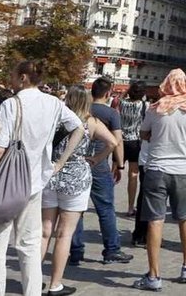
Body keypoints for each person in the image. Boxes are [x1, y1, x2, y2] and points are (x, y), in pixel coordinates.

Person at [0, 61, 85, 296]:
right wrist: (60, 161)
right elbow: (78, 126)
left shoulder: (11, 104)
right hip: (34, 182)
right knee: (29, 246)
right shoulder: (53, 103)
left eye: (13, 73)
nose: (10, 77)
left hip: (6, 183)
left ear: (24, 77)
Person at [41, 87, 117, 296]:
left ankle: (33, 278)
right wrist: (97, 159)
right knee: (65, 234)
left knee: (45, 231)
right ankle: (55, 284)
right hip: (76, 177)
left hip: (51, 175)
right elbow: (113, 141)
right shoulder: (90, 122)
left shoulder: (56, 120)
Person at [133, 69, 186, 291]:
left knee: (155, 220)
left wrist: (157, 135)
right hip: (183, 170)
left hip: (157, 168)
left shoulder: (155, 108)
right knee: (184, 217)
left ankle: (154, 275)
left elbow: (143, 134)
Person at [70, 78, 131, 266]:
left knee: (76, 209)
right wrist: (119, 164)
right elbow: (116, 141)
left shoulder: (80, 109)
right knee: (105, 208)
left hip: (77, 163)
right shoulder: (111, 113)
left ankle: (75, 251)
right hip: (99, 164)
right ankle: (112, 249)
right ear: (108, 93)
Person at [119, 82, 148, 217]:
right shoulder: (143, 105)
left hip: (120, 140)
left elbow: (120, 97)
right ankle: (130, 207)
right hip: (135, 142)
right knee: (133, 175)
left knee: (114, 172)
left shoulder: (122, 103)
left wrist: (126, 92)